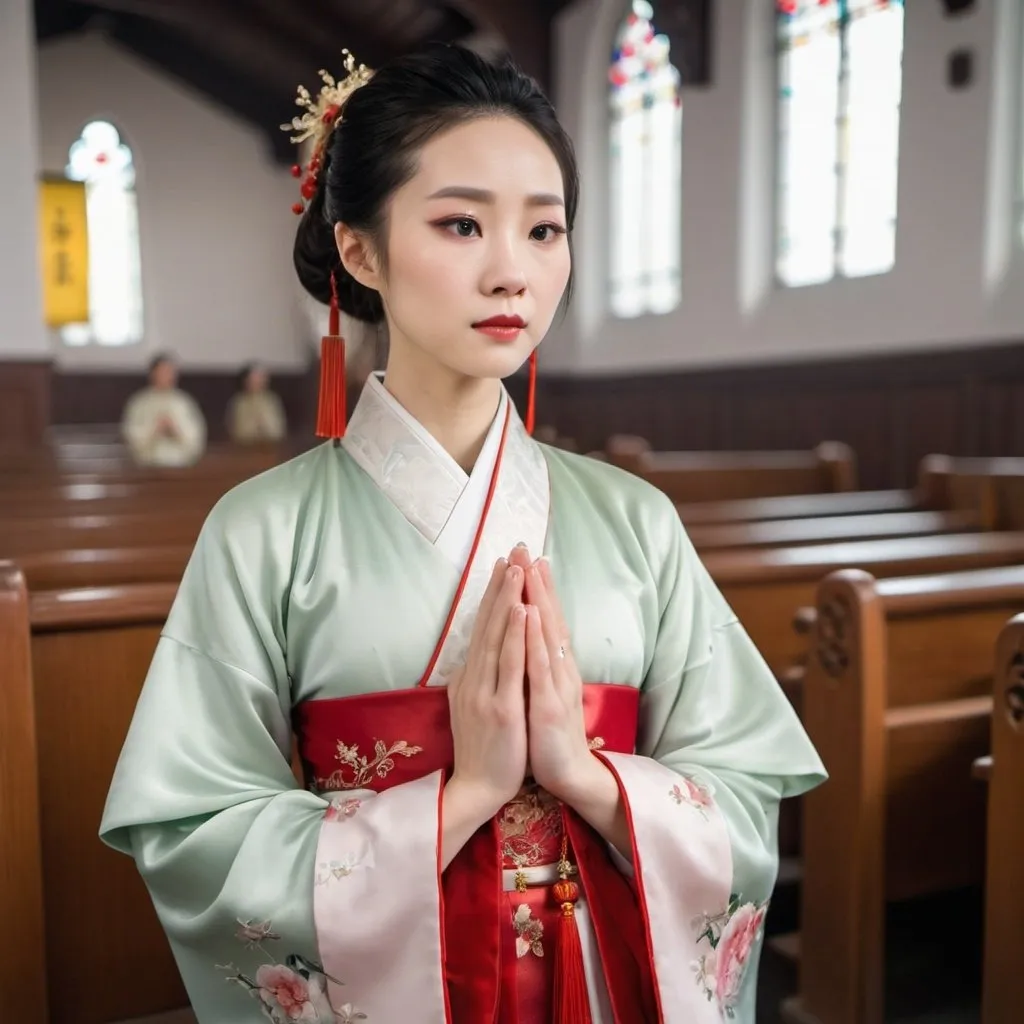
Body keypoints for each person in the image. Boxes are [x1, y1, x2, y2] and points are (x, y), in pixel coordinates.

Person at [100, 43, 825, 1023]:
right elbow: (198, 830)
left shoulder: (636, 519)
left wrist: (588, 778)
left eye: (543, 230)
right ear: (358, 249)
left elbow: (741, 787)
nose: (510, 272)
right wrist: (459, 795)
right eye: (459, 224)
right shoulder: (258, 534)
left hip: (603, 971)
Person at [121, 353, 207, 467]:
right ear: (153, 374)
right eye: (162, 371)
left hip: (181, 465)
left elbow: (196, 435)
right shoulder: (140, 402)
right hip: (148, 465)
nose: (167, 376)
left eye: (170, 372)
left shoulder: (184, 402)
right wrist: (155, 428)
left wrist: (175, 429)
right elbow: (131, 434)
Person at [227, 362, 288, 443]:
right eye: (254, 379)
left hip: (271, 446)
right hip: (244, 447)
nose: (258, 382)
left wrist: (266, 426)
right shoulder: (239, 401)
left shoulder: (272, 400)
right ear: (246, 381)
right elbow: (236, 431)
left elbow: (279, 429)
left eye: (261, 379)